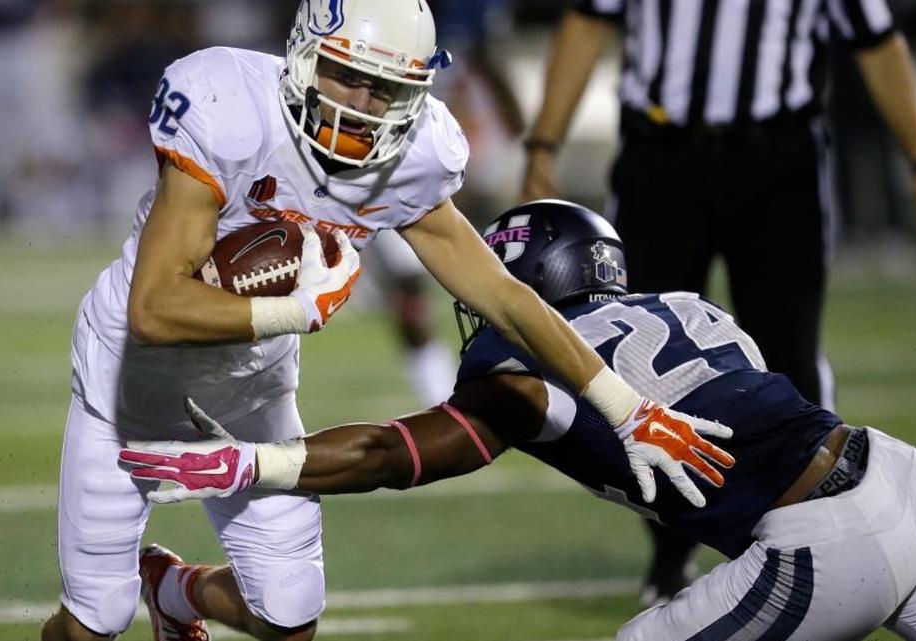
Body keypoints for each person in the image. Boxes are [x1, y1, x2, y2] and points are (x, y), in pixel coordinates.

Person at [40, 2, 733, 640]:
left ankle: (174, 590)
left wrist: (626, 406)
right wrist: (291, 308)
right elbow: (155, 308)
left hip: (249, 392)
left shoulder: (413, 156)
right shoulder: (229, 109)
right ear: (307, 52)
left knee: (288, 616)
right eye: (347, 77)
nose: (362, 107)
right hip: (129, 384)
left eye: (387, 89)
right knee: (94, 621)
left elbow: (508, 299)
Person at [123, 201, 916, 641]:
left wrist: (262, 462)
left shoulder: (521, 371)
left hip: (826, 540)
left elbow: (390, 451)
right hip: (909, 477)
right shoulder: (691, 308)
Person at [518, 0, 916, 603]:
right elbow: (587, 22)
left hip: (777, 163)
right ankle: (670, 556)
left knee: (786, 354)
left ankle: (812, 534)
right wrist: (543, 145)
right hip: (660, 159)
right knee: (639, 355)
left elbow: (877, 42)